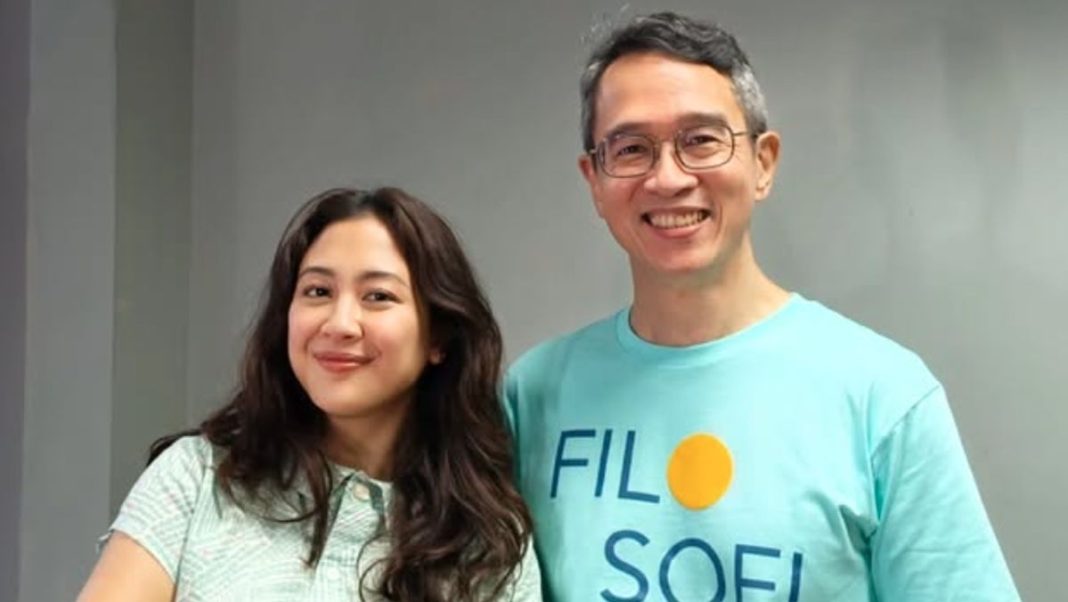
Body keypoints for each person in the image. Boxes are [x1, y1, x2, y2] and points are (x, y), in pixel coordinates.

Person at [504, 11, 1018, 601]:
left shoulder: (882, 397)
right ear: (594, 180)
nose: (668, 178)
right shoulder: (534, 395)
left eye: (700, 140)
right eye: (631, 148)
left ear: (763, 163)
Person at [80, 187, 542, 601]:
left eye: (378, 296)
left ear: (439, 335)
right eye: (318, 291)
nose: (339, 324)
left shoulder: (490, 546)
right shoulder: (197, 477)